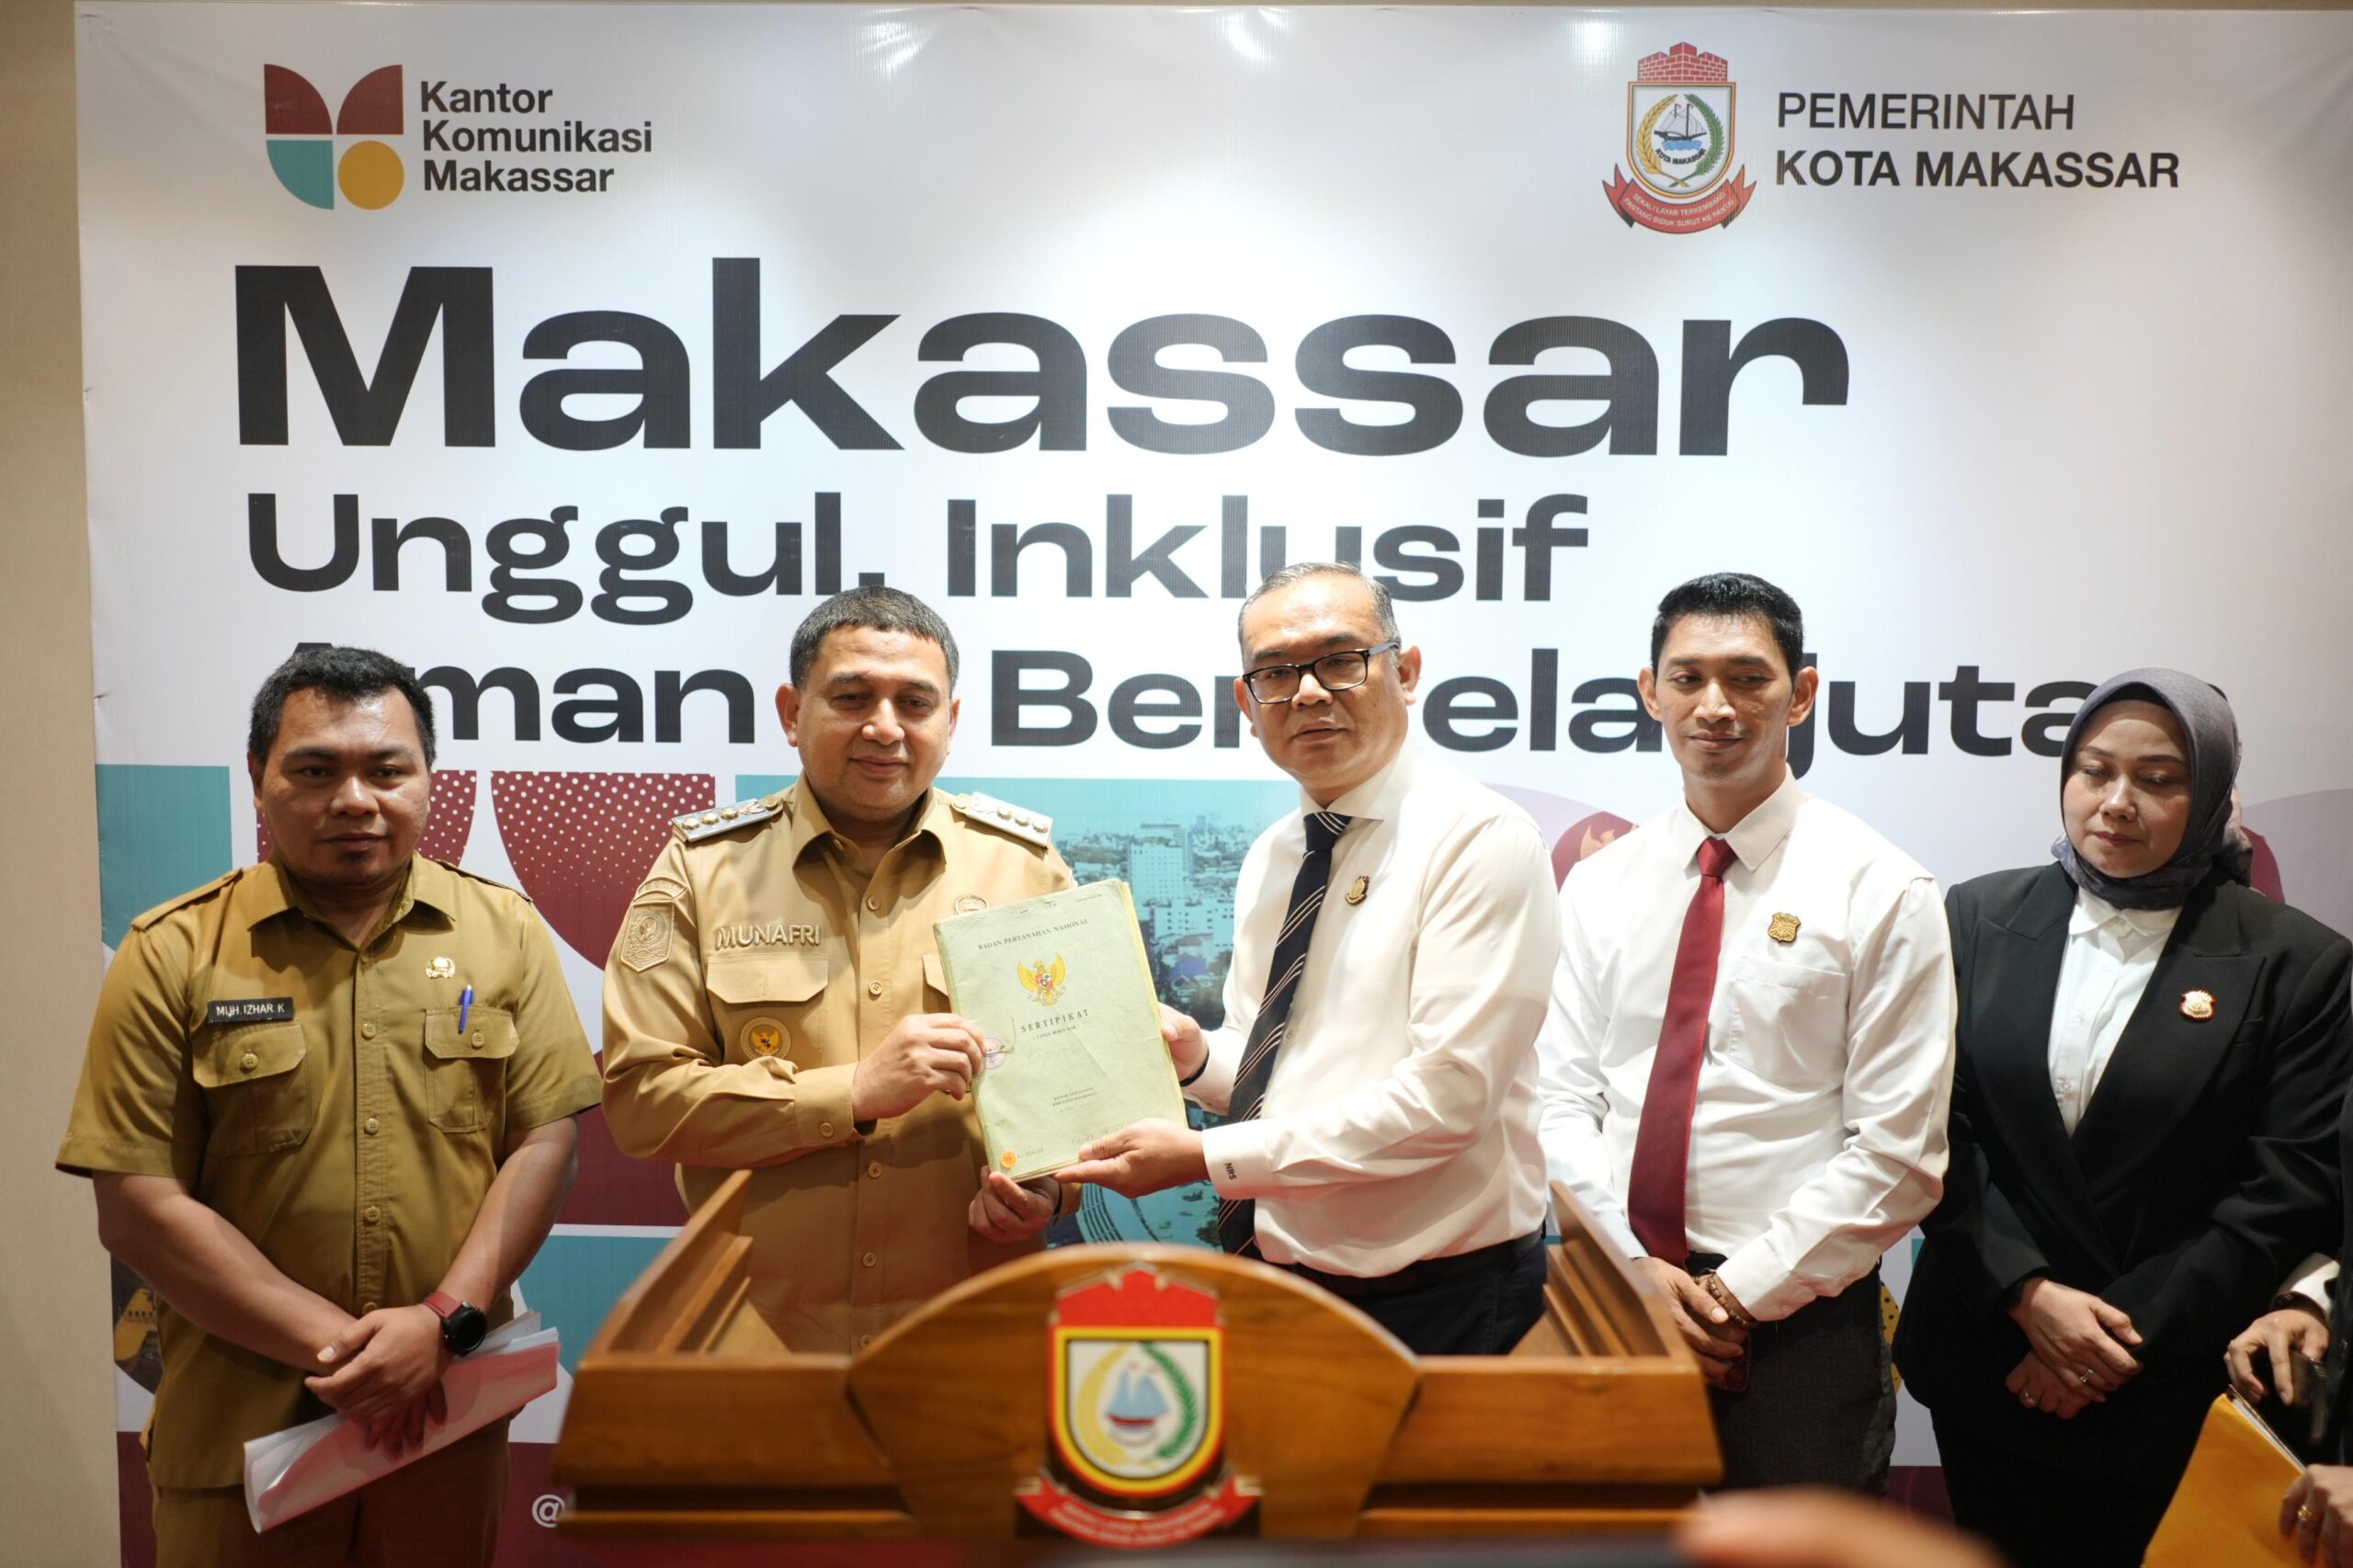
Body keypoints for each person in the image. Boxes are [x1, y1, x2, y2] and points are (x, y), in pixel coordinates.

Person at [56, 646, 598, 1568]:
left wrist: (442, 1322)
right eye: (315, 770)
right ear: (258, 777)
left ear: (429, 777)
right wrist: (351, 1351)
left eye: (387, 769)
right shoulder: (172, 949)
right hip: (242, 1438)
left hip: (439, 1429)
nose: (354, 799)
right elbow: (137, 1203)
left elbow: (543, 1143)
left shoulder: (504, 931)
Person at [1894, 669, 2352, 1568]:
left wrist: (2105, 1341)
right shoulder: (1976, 914)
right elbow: (1931, 1126)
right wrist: (2026, 1294)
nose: (2115, 802)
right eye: (2094, 769)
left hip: (2168, 1381)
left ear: (2212, 793)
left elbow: (2286, 1188)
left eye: (2158, 778)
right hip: (1990, 1363)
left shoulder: (2298, 961)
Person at [1057, 562, 1559, 1355]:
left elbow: (1448, 1100)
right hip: (1288, 1277)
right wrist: (1196, 1060)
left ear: (1406, 672)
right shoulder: (1275, 853)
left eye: (1341, 660)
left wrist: (1206, 1157)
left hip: (1442, 1300)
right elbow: (1277, 1071)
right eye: (1277, 673)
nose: (1310, 692)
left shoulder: (1479, 840)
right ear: (1247, 704)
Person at [1538, 572, 1956, 1493]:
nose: (1715, 706)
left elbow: (1899, 1152)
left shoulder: (1881, 887)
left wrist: (1730, 1298)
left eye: (1747, 678)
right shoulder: (1601, 883)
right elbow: (1560, 1097)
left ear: (1800, 694)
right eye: (1687, 678)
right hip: (1614, 1296)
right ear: (1649, 692)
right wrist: (1633, 1271)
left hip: (1795, 1324)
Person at [600, 585, 1081, 1353]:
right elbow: (642, 1100)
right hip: (760, 1337)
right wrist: (850, 1092)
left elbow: (1078, 1090)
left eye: (915, 703)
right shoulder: (703, 870)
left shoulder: (1025, 867)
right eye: (852, 698)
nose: (885, 728)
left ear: (950, 722)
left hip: (969, 1331)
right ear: (793, 713)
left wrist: (1049, 1190)